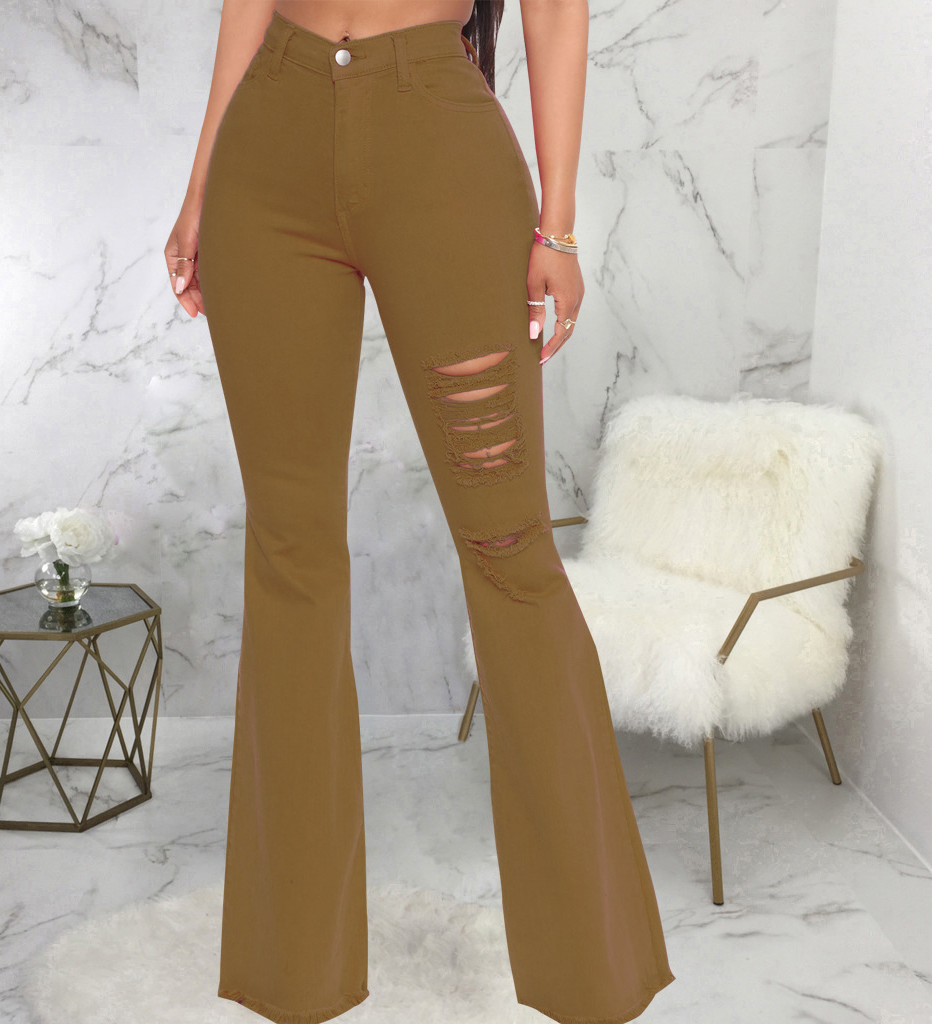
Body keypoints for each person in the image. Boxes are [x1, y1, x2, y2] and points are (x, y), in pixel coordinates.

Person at [164, 2, 675, 1022]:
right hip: (268, 147)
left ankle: (593, 978)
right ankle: (293, 978)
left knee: (509, 551)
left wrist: (558, 225)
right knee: (290, 549)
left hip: (440, 145)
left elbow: (556, 14)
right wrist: (200, 185)